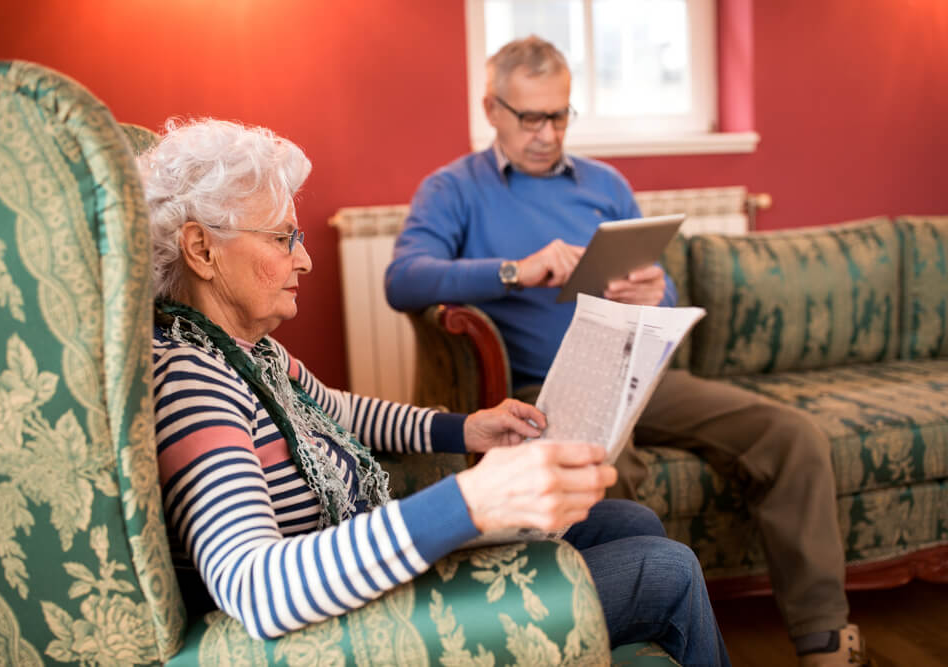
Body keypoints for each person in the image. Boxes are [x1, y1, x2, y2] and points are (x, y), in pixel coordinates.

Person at [138, 117, 730, 665]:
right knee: (668, 569)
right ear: (201, 249)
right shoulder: (193, 380)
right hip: (356, 628)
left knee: (630, 521)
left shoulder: (244, 351)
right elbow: (257, 588)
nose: (306, 260)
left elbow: (337, 409)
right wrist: (469, 501)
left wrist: (466, 427)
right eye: (282, 239)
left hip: (366, 576)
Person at [385, 36, 872, 667]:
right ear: (492, 109)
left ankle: (823, 640)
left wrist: (655, 288)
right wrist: (514, 271)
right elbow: (405, 279)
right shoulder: (453, 189)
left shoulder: (604, 184)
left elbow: (658, 282)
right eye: (531, 116)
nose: (547, 132)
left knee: (790, 434)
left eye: (559, 114)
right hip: (538, 388)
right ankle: (634, 632)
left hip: (639, 372)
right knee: (619, 476)